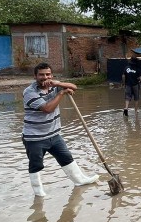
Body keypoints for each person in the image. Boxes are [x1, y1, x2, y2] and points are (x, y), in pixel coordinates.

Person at [22, 62, 99, 197]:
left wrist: (58, 84)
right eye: (41, 75)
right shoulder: (29, 92)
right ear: (35, 76)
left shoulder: (54, 86)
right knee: (36, 165)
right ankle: (38, 192)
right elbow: (47, 109)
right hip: (35, 137)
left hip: (54, 134)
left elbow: (74, 87)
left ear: (51, 75)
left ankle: (79, 180)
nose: (45, 78)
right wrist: (62, 93)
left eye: (47, 74)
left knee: (66, 158)